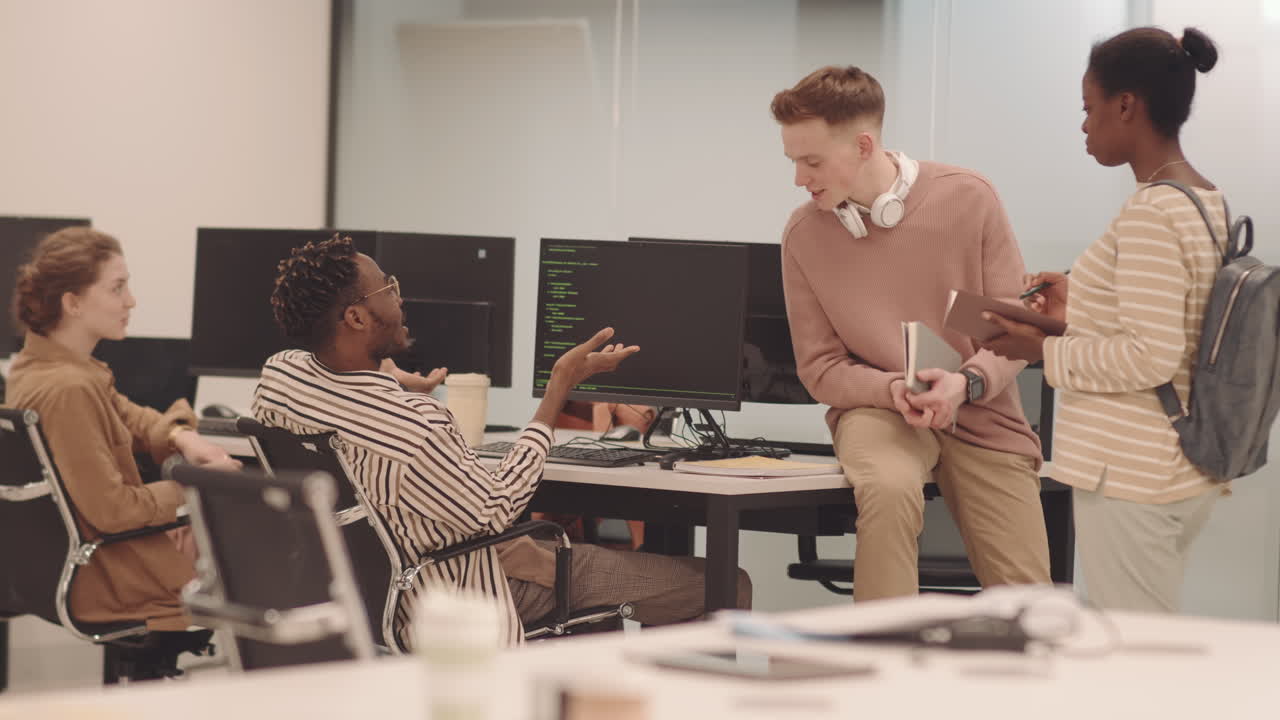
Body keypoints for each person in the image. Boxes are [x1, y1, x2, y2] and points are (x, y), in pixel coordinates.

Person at [252, 234, 750, 647]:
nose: (399, 297)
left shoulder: (279, 379)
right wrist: (557, 391)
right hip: (464, 595)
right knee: (724, 583)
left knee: (593, 590)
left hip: (371, 599)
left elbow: (337, 385)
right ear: (357, 319)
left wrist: (390, 382)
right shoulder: (415, 427)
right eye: (387, 288)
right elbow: (494, 510)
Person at [771, 66, 1053, 603]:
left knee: (1028, 599)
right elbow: (821, 368)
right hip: (882, 411)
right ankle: (880, 661)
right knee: (889, 489)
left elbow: (1014, 332)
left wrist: (964, 383)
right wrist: (889, 390)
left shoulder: (968, 201)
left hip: (980, 410)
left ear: (862, 145)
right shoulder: (806, 235)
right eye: (793, 162)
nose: (799, 179)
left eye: (811, 161)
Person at [981, 27, 1226, 613]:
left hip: (1134, 473)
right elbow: (1177, 329)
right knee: (1146, 649)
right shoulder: (1202, 200)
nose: (1085, 125)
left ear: (1126, 105)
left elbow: (1152, 355)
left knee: (1139, 662)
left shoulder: (1152, 212)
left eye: (1090, 109)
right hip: (1175, 466)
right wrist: (1077, 310)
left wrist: (1041, 353)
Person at [5, 227, 240, 631]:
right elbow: (113, 511)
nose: (131, 301)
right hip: (111, 575)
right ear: (73, 302)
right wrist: (196, 484)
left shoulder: (37, 365)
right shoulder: (69, 389)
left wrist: (181, 436)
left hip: (67, 568)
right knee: (279, 546)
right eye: (117, 288)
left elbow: (128, 414)